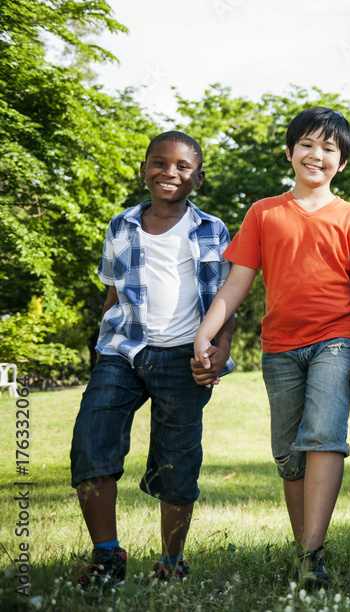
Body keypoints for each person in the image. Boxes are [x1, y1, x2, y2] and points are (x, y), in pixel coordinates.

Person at [192, 107, 350, 588]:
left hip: (337, 341)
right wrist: (207, 329)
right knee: (288, 452)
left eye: (328, 148)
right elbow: (237, 283)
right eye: (307, 144)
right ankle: (305, 553)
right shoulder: (264, 212)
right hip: (279, 347)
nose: (316, 154)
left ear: (340, 163)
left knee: (323, 435)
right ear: (289, 151)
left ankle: (313, 555)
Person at [71, 131, 235, 587]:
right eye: (160, 163)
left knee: (176, 460)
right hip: (122, 352)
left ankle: (171, 561)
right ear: (144, 169)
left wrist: (219, 350)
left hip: (184, 358)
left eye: (183, 166)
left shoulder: (212, 229)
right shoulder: (120, 225)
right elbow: (112, 293)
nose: (170, 172)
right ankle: (107, 556)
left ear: (197, 178)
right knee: (91, 441)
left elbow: (227, 297)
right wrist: (99, 352)